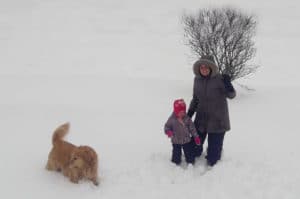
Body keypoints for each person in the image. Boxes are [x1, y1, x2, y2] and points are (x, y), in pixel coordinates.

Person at [187, 55, 236, 166]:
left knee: (213, 159)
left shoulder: (219, 79)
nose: (204, 69)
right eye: (202, 67)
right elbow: (195, 98)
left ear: (211, 68)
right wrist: (189, 113)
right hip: (201, 121)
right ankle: (198, 150)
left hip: (217, 121)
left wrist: (228, 84)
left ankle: (215, 151)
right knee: (191, 152)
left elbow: (232, 95)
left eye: (206, 67)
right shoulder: (197, 80)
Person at [164, 99, 201, 165]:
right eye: (180, 112)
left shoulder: (187, 119)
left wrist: (196, 137)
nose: (182, 114)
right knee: (176, 154)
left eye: (183, 112)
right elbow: (166, 127)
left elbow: (192, 128)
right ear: (176, 111)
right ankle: (176, 162)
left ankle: (190, 161)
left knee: (189, 153)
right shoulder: (172, 119)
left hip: (186, 140)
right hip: (176, 140)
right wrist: (168, 132)